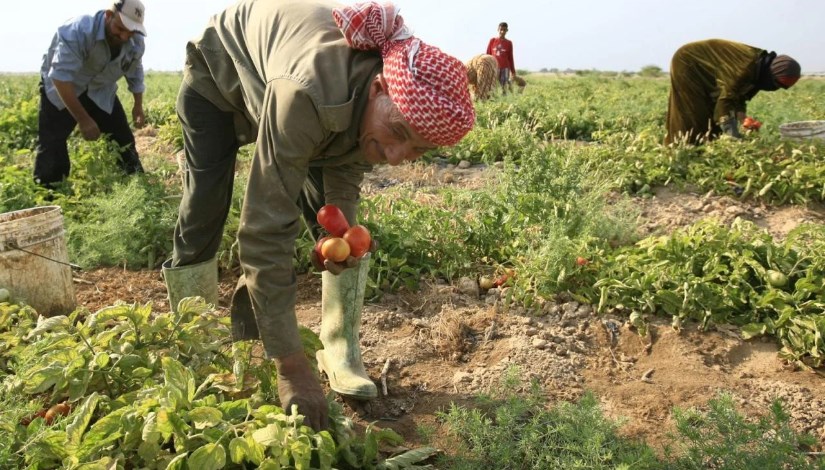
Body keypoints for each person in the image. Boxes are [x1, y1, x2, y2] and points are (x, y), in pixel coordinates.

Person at [161, 0, 475, 431]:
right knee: (205, 206)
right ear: (379, 87)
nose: (398, 157)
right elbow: (264, 228)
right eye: (399, 135)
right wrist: (291, 368)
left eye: (418, 149)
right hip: (221, 76)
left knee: (334, 227)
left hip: (302, 91)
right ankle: (192, 343)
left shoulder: (376, 108)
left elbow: (343, 173)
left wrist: (342, 235)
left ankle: (339, 348)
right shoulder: (306, 94)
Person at [34, 0, 147, 187]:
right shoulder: (78, 30)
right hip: (63, 90)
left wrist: (138, 105)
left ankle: (137, 187)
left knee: (124, 141)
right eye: (120, 28)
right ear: (108, 16)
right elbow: (61, 78)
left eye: (131, 31)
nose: (125, 36)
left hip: (101, 91)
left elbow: (135, 70)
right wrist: (84, 119)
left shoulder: (135, 42)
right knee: (52, 148)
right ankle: (50, 196)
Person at [665, 39, 801, 144]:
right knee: (694, 113)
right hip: (689, 61)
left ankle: (708, 147)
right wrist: (735, 137)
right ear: (772, 74)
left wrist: (744, 120)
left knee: (714, 117)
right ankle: (680, 149)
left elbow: (740, 98)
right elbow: (726, 101)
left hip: (709, 71)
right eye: (776, 83)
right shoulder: (745, 69)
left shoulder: (760, 71)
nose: (775, 88)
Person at [486, 22, 517, 94]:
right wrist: (487, 67)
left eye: (504, 30)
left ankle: (504, 100)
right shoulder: (492, 41)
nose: (502, 31)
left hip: (505, 67)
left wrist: (513, 71)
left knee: (504, 86)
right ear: (498, 29)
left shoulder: (509, 43)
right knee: (492, 85)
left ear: (507, 31)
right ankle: (493, 100)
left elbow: (510, 57)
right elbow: (488, 54)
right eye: (501, 29)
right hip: (494, 67)